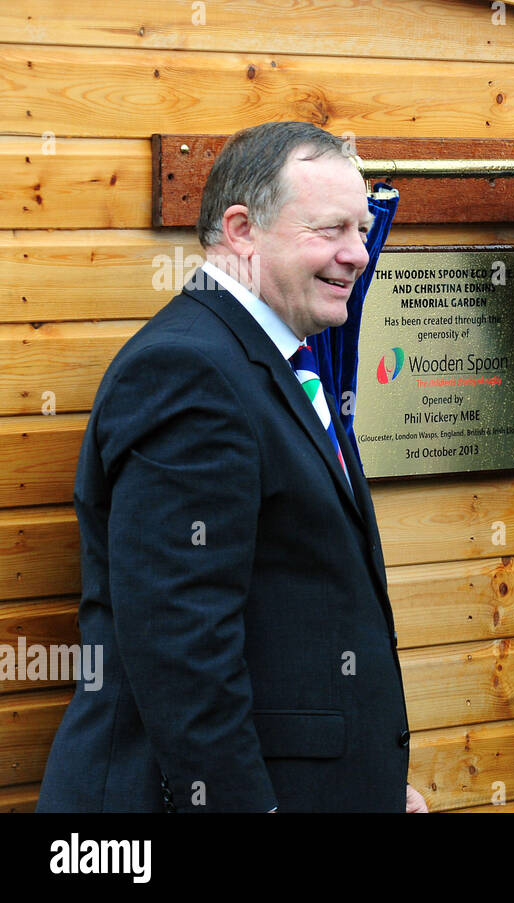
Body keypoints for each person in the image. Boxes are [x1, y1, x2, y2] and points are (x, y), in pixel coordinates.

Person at [37, 122, 426, 813]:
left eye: (362, 230)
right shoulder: (188, 371)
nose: (359, 253)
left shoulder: (280, 359)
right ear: (242, 229)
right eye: (331, 229)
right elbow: (183, 649)